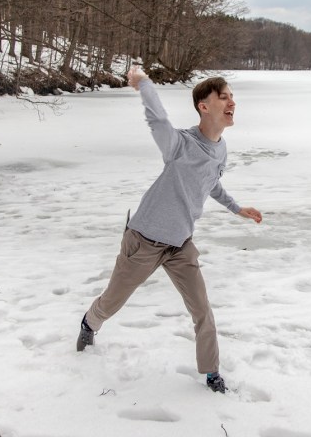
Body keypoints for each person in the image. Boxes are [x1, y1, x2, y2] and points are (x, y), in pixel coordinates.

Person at [77, 65, 262, 394]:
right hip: (144, 241)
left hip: (180, 245)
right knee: (112, 302)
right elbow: (158, 120)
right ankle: (90, 322)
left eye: (233, 96)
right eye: (224, 97)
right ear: (204, 106)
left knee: (202, 310)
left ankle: (211, 373)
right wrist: (143, 82)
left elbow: (211, 184)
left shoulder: (220, 150)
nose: (232, 101)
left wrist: (236, 207)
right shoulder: (180, 145)